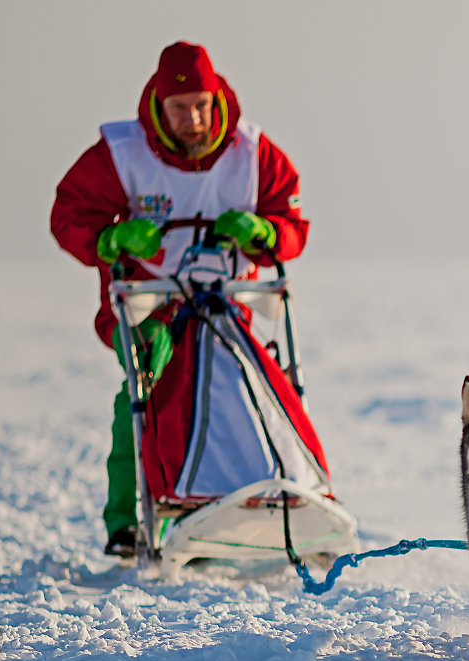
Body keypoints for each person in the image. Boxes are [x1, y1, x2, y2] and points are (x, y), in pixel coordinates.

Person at [50, 41, 310, 558]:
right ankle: (130, 518)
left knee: (259, 384)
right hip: (152, 305)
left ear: (216, 101)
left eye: (202, 106)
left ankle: (267, 495)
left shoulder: (252, 154)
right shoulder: (123, 153)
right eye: (180, 108)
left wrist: (263, 231)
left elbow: (292, 225)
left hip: (227, 304)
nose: (193, 119)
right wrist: (111, 239)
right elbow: (68, 214)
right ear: (158, 108)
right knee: (150, 386)